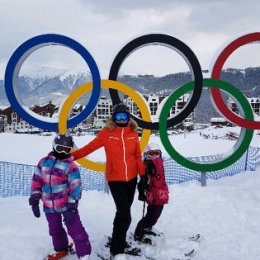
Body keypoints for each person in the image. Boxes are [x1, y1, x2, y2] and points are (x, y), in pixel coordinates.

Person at [71, 103, 145, 260]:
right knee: (125, 214)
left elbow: (137, 155)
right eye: (118, 116)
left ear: (128, 117)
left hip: (131, 179)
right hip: (115, 179)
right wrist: (71, 156)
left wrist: (143, 176)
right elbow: (90, 148)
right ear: (113, 117)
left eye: (124, 116)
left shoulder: (133, 132)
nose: (121, 119)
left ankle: (119, 239)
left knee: (122, 213)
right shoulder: (107, 132)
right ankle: (116, 250)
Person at [29, 134, 91, 260]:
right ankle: (60, 249)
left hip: (66, 206)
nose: (63, 152)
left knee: (76, 230)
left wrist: (72, 205)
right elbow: (36, 181)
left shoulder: (70, 166)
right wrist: (35, 199)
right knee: (55, 230)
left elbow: (76, 186)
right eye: (60, 148)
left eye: (66, 149)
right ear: (54, 146)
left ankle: (84, 255)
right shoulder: (43, 162)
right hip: (49, 206)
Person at [134, 143, 169, 244]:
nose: (154, 156)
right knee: (151, 215)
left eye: (156, 153)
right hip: (152, 194)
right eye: (151, 153)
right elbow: (143, 178)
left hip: (161, 193)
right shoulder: (147, 165)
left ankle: (147, 228)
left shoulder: (160, 163)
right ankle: (139, 232)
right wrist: (142, 188)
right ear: (146, 154)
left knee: (156, 214)